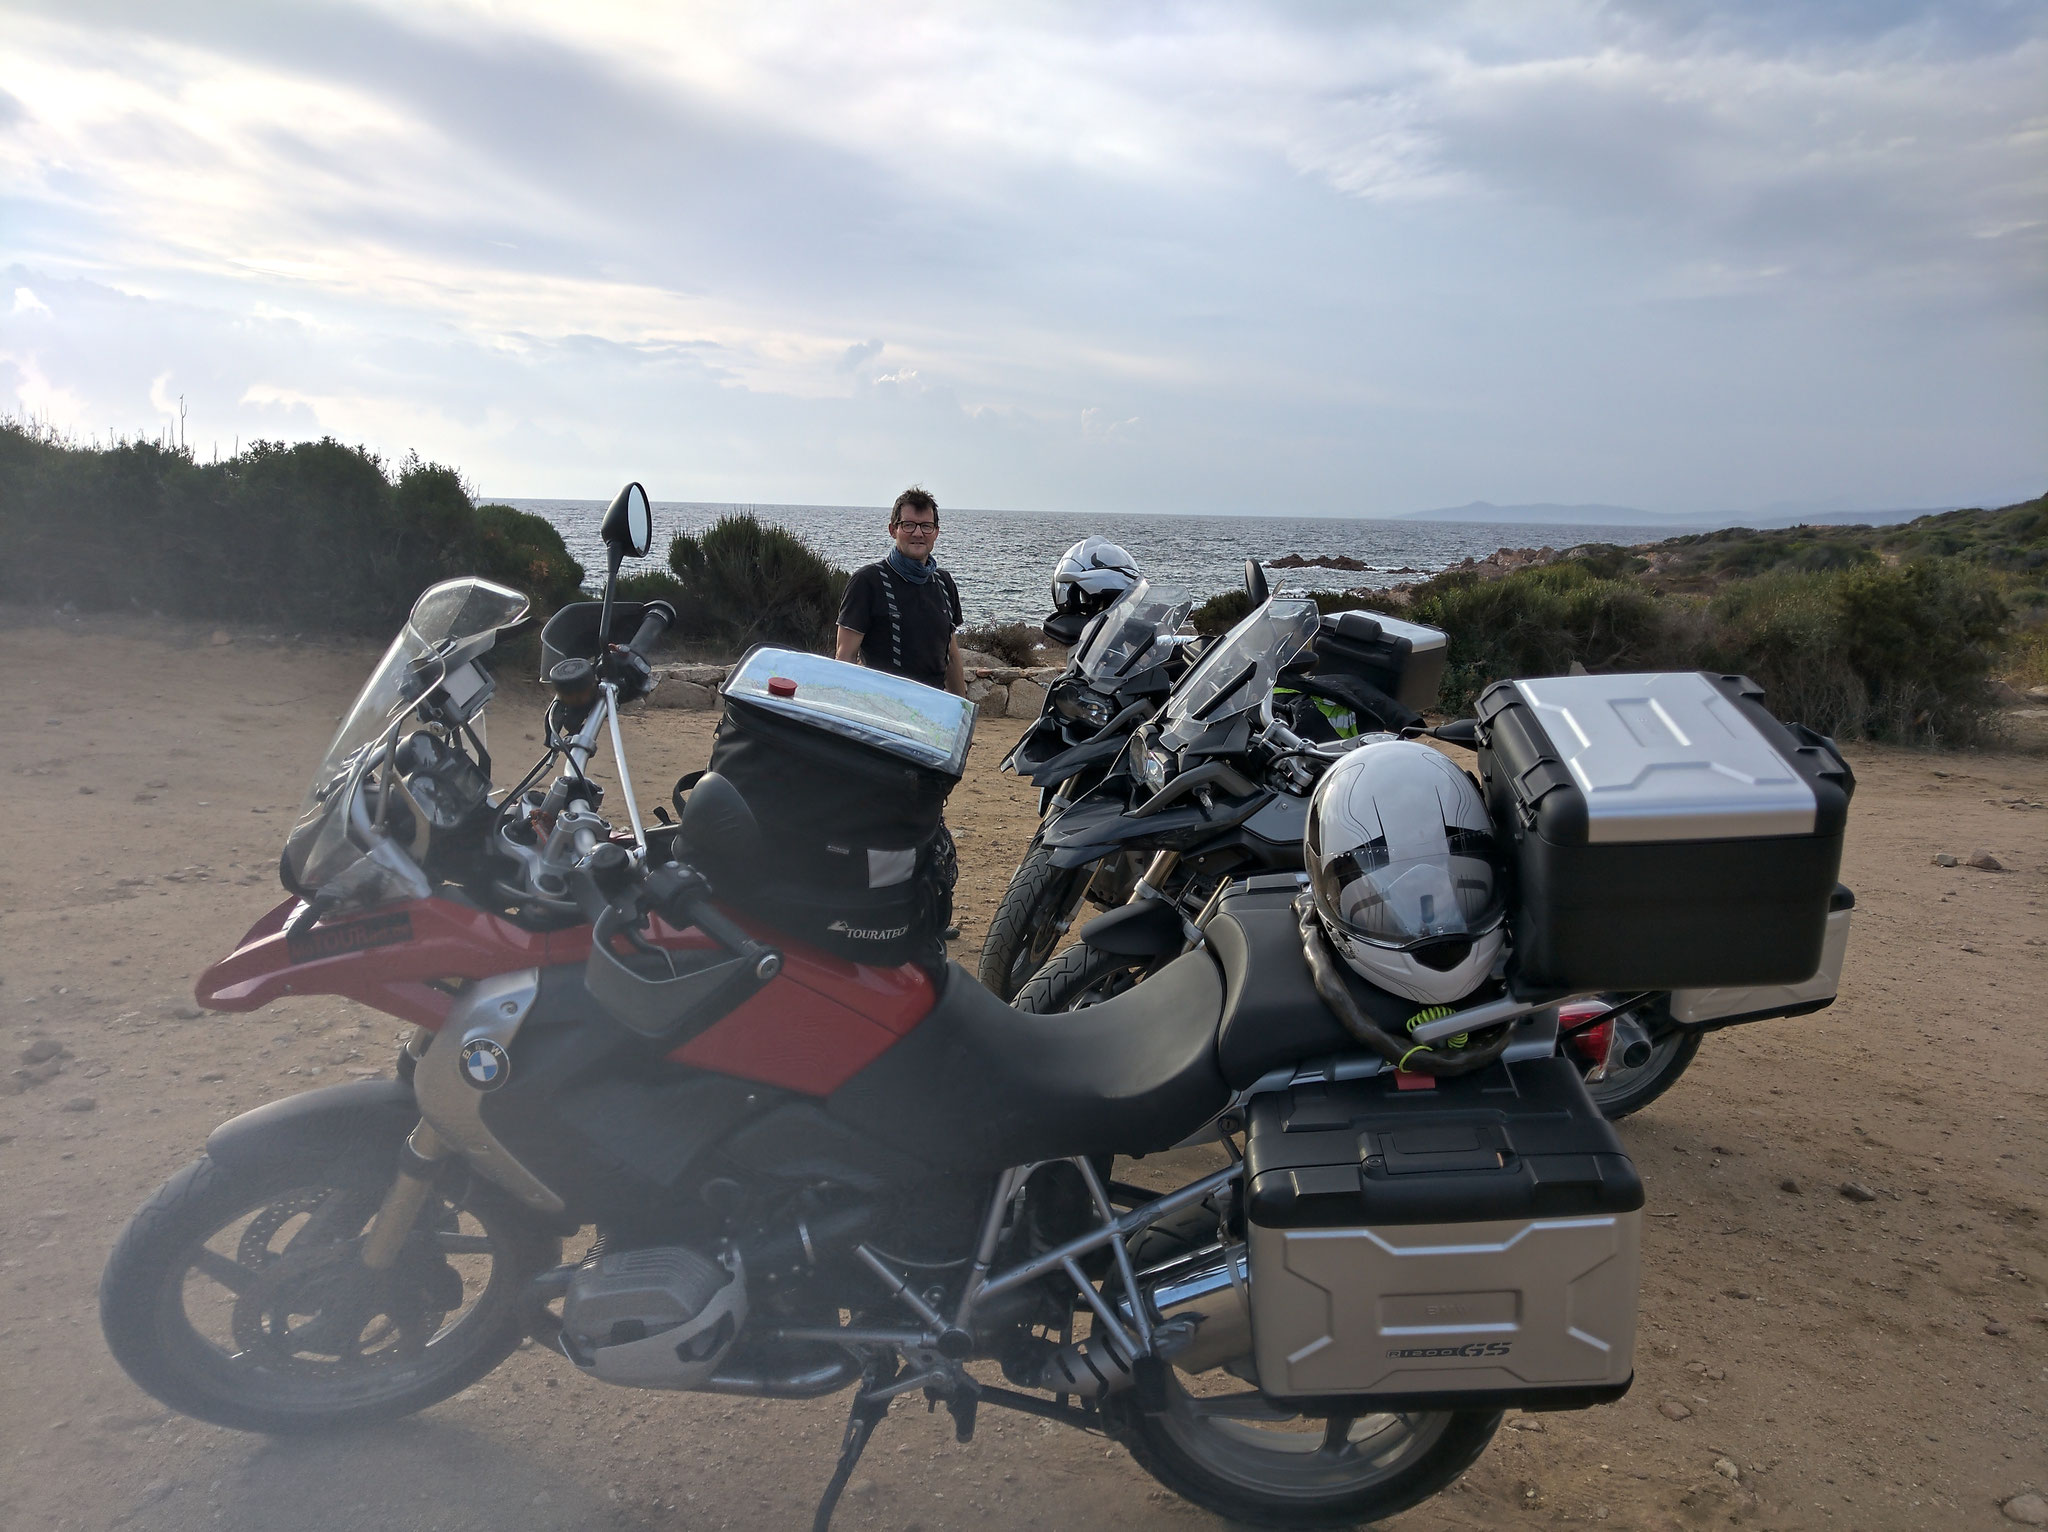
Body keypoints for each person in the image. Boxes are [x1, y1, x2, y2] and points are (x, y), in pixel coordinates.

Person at [835, 487, 966, 695]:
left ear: (936, 532)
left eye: (926, 526)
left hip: (933, 711)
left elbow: (951, 653)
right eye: (908, 525)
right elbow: (845, 657)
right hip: (882, 710)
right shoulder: (867, 582)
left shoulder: (944, 583)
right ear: (892, 530)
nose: (918, 533)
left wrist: (962, 712)